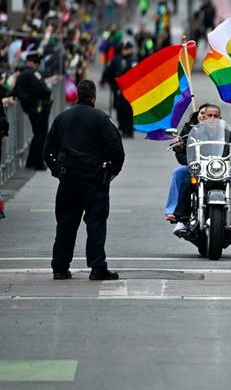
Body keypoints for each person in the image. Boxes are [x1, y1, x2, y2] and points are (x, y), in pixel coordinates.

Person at [43, 80, 125, 280]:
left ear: (77, 95)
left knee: (66, 223)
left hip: (68, 178)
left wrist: (57, 171)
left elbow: (47, 150)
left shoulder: (62, 118)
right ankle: (97, 267)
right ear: (94, 97)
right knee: (96, 222)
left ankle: (60, 267)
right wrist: (111, 173)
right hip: (94, 178)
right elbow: (117, 150)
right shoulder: (101, 119)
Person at [171, 104, 231, 237]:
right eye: (209, 115)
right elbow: (183, 148)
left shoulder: (227, 133)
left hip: (221, 170)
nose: (212, 118)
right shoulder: (194, 133)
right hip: (201, 170)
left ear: (220, 118)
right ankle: (182, 220)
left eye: (215, 116)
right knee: (187, 183)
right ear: (202, 117)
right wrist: (178, 145)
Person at [6, 51, 53, 170]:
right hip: (38, 108)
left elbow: (15, 91)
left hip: (31, 109)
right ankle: (37, 163)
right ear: (29, 62)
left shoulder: (23, 75)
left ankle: (31, 161)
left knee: (38, 134)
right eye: (35, 62)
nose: (37, 65)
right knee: (41, 135)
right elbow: (44, 90)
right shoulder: (31, 74)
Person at [101, 41, 137, 137]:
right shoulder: (117, 60)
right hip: (119, 89)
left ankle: (129, 129)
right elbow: (109, 72)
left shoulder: (133, 60)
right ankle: (124, 128)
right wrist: (112, 84)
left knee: (128, 110)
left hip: (129, 89)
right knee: (120, 109)